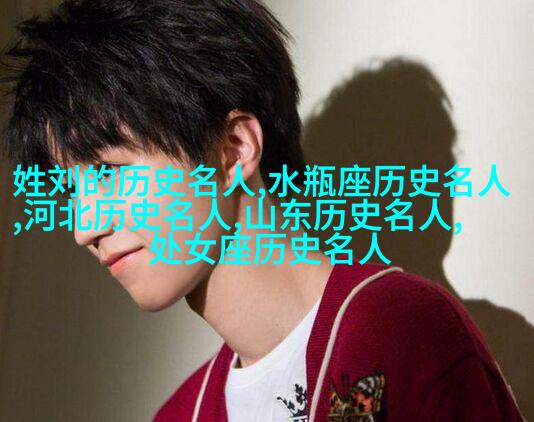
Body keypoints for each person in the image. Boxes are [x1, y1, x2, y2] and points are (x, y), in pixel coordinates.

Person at [1, 0, 525, 421]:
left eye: (109, 171)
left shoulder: (403, 335)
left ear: (234, 149)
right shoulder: (179, 413)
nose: (83, 227)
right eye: (71, 190)